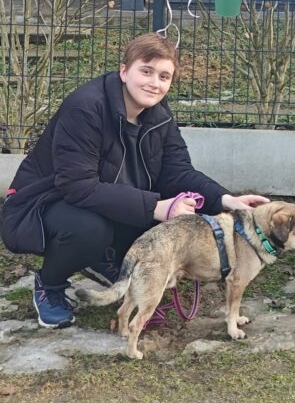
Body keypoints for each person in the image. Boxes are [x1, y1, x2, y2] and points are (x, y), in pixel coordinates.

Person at [0, 33, 268, 329]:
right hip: (41, 204)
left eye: (164, 76)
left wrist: (226, 199)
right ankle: (50, 285)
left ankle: (108, 260)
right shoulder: (85, 108)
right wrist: (156, 207)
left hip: (102, 200)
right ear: (124, 71)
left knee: (167, 221)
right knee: (90, 229)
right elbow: (76, 185)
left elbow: (178, 171)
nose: (155, 83)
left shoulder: (159, 115)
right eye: (146, 71)